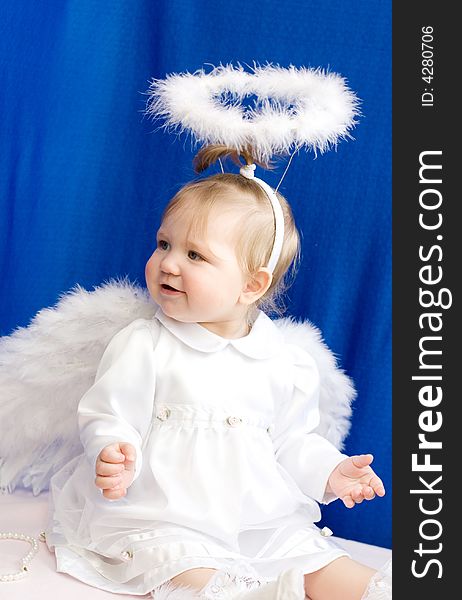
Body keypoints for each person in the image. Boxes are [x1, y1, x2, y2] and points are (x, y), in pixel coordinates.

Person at [45, 146, 390, 600]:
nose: (168, 263)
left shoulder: (285, 363)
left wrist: (331, 470)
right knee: (187, 567)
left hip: (255, 520)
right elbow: (109, 413)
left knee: (316, 560)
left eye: (195, 255)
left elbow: (292, 442)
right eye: (164, 244)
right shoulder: (145, 344)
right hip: (164, 514)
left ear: (251, 285)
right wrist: (113, 449)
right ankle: (248, 592)